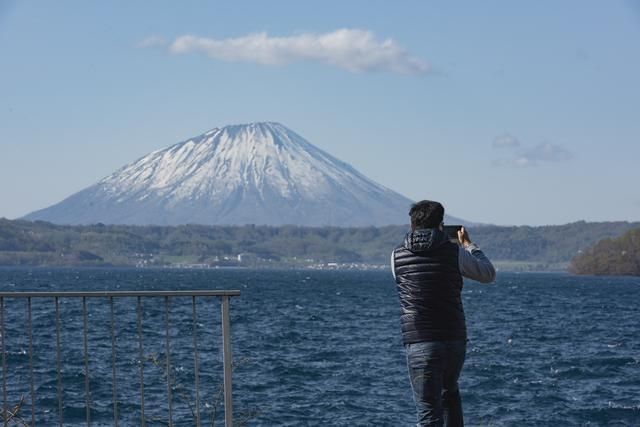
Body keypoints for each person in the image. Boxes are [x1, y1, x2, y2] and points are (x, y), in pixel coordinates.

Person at [391, 200, 495, 427]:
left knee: (428, 412)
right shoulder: (454, 252)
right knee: (450, 395)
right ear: (441, 224)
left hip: (419, 340)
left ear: (412, 224)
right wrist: (469, 245)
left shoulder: (396, 256)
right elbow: (487, 274)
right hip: (453, 339)